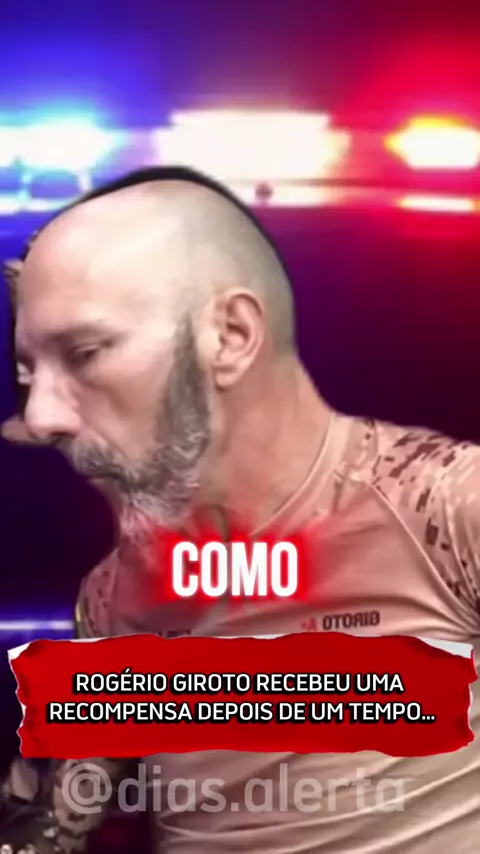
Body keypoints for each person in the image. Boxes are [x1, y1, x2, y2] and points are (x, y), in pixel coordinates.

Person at [1, 166, 479, 854]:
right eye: (28, 374)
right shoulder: (113, 595)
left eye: (84, 353)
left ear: (229, 336)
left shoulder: (448, 508)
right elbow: (58, 821)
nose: (41, 415)